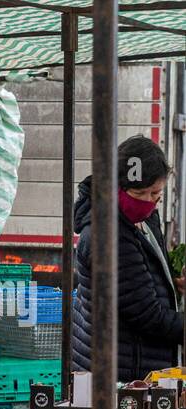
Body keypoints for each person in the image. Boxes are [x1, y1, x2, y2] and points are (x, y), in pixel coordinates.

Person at [73, 135, 183, 381]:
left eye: (156, 194)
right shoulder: (107, 236)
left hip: (134, 364)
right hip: (118, 376)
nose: (147, 202)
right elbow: (146, 314)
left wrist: (173, 284)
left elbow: (139, 279)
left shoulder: (144, 218)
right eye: (139, 192)